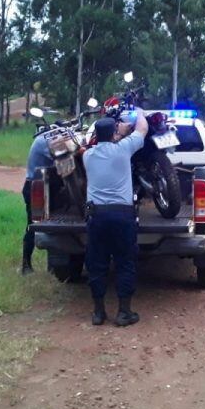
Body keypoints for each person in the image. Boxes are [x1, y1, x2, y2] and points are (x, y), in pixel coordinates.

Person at [83, 109, 148, 326]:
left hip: (97, 217)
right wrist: (139, 113)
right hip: (122, 217)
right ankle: (124, 313)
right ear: (113, 134)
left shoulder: (87, 156)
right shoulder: (123, 149)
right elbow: (143, 129)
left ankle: (98, 313)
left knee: (97, 263)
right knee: (125, 262)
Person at [21, 132, 54, 274]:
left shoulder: (43, 140)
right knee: (33, 225)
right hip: (36, 186)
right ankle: (26, 264)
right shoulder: (44, 142)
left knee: (49, 225)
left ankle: (52, 265)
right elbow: (61, 157)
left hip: (42, 184)